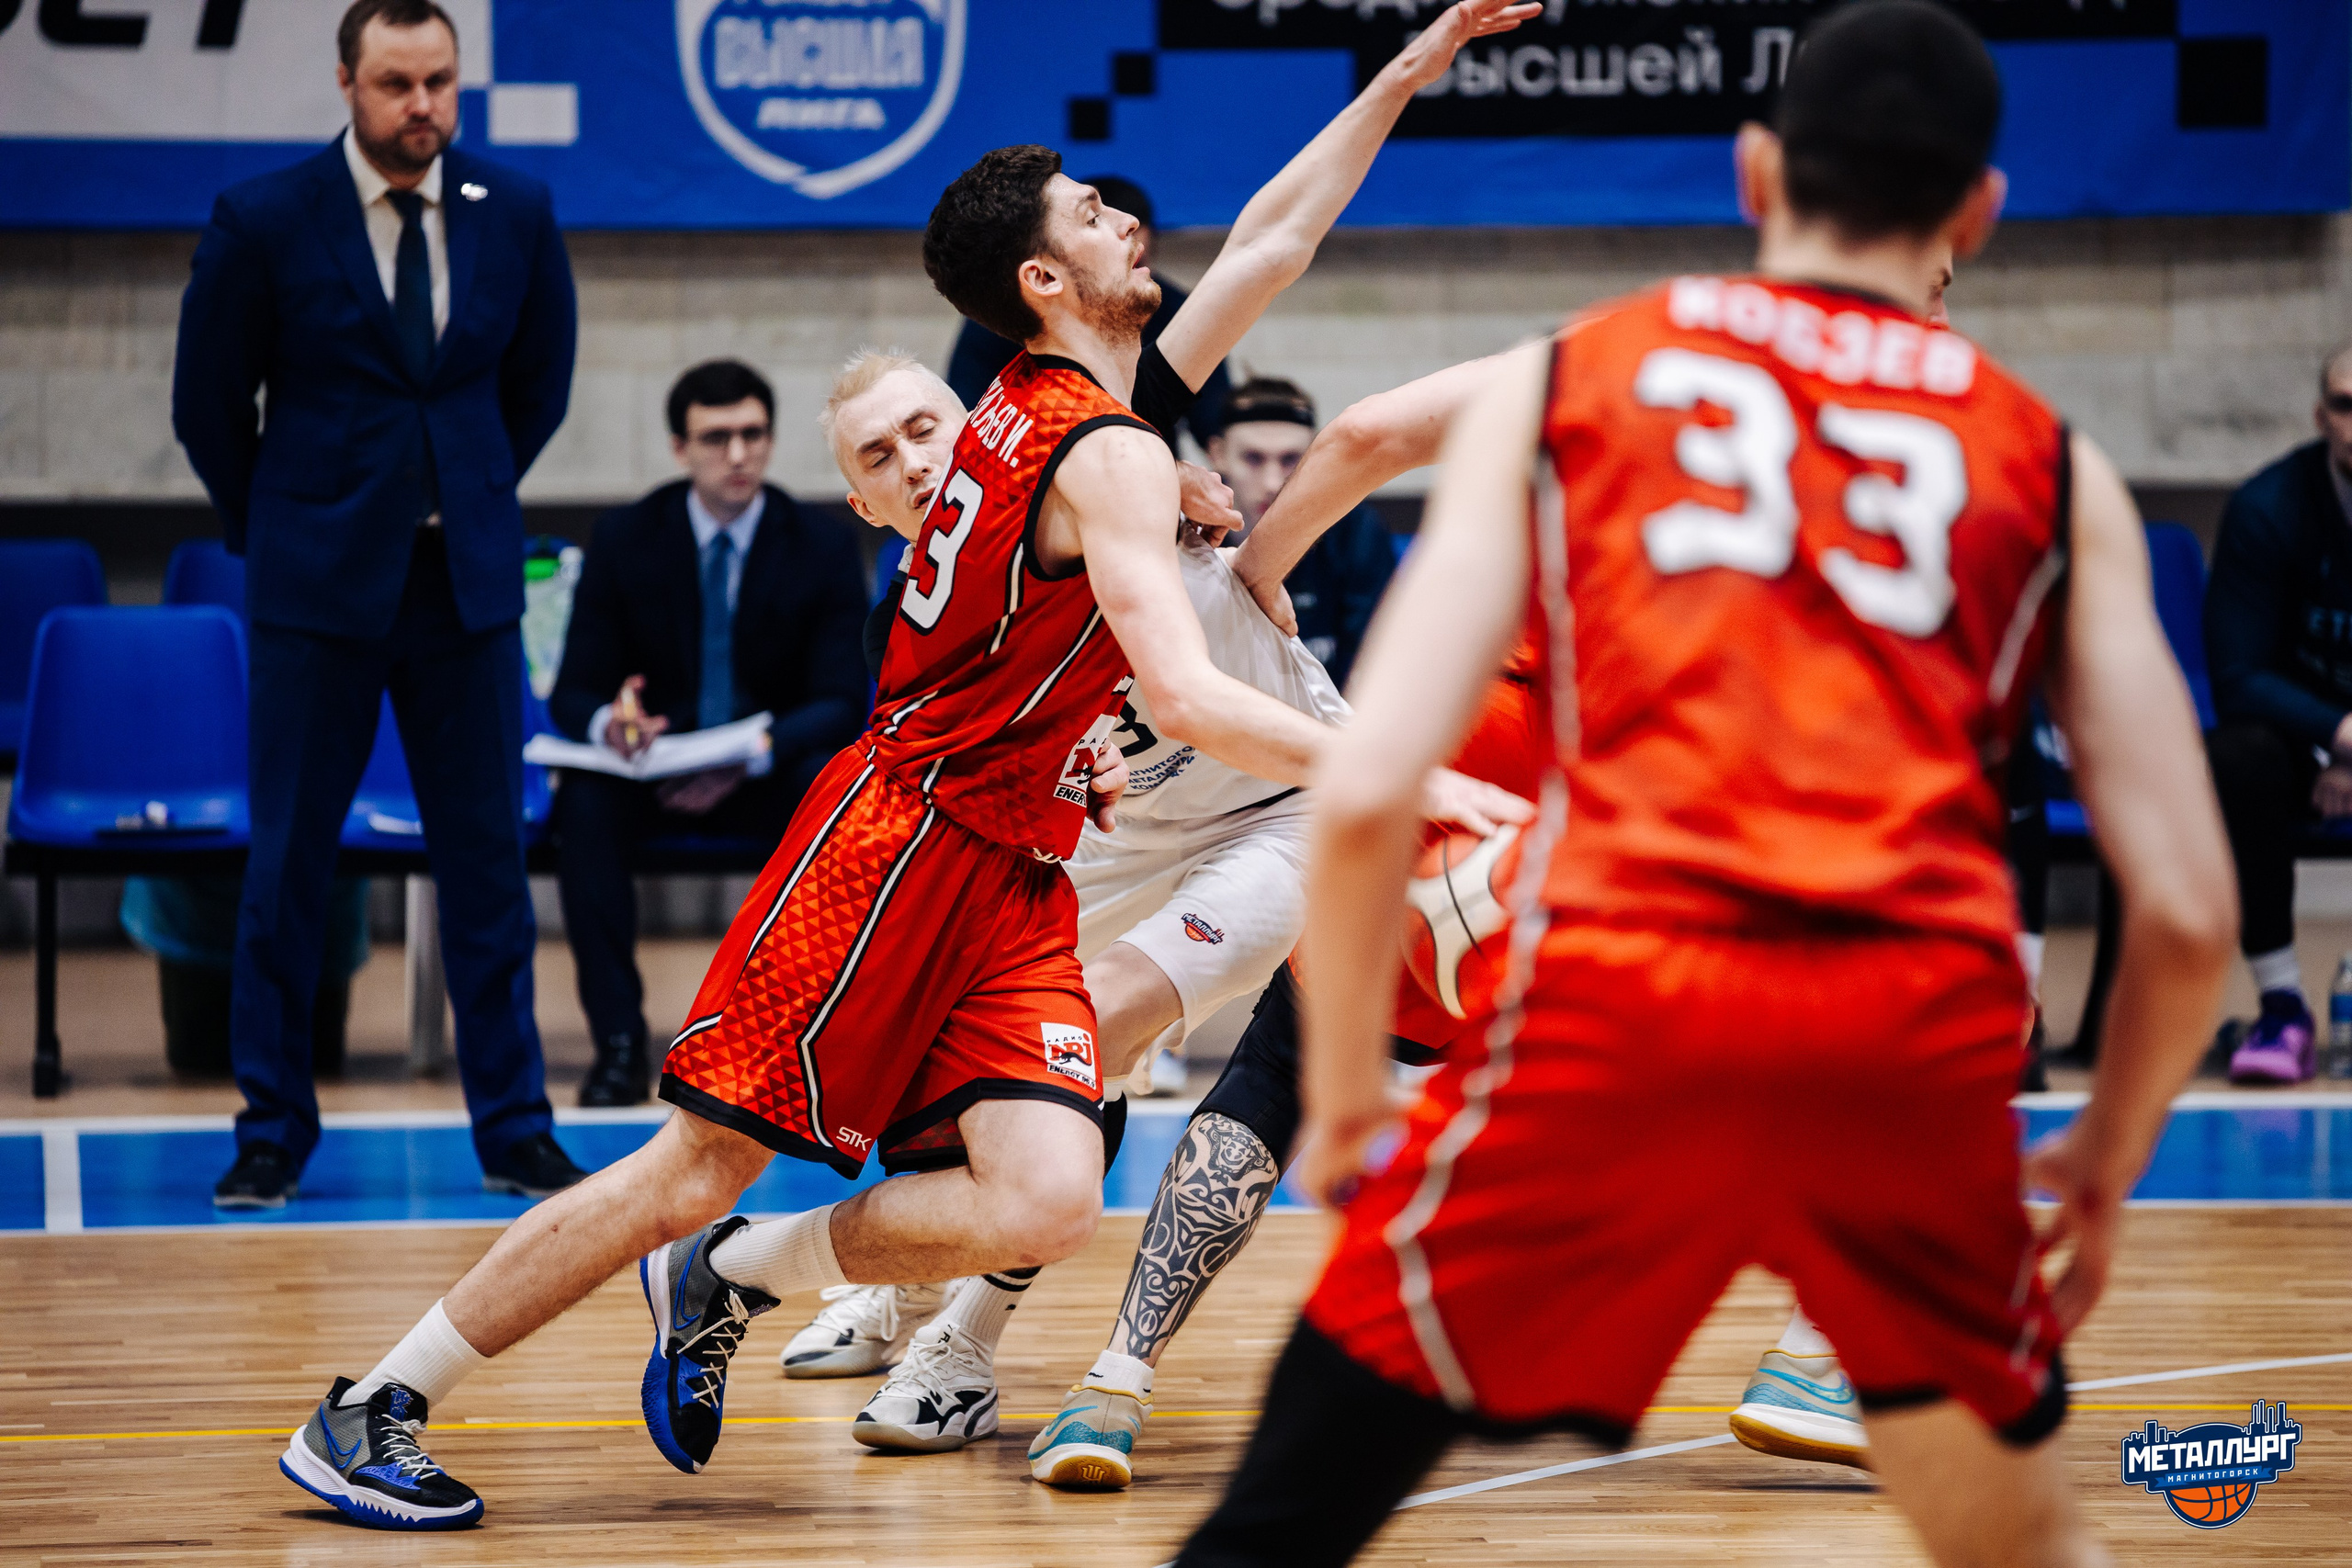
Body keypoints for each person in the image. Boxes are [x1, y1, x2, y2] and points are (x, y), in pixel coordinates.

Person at [270, 2, 1538, 1531]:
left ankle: (745, 1275)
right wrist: (1396, 766)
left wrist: (1402, 70)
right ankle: (374, 1403)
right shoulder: (1106, 448)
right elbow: (1190, 696)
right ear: (1045, 282)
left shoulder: (1055, 406)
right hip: (902, 840)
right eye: (1090, 212)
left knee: (1046, 1193)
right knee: (695, 1162)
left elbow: (1272, 234)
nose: (1130, 219)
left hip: (1018, 854)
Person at [1177, 6, 2236, 1566]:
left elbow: (1370, 785)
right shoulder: (2048, 459)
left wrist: (1343, 1092)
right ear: (1980, 211)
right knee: (2025, 1546)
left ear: (1755, 170)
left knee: (1279, 1525)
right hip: (1909, 1032)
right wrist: (2107, 1146)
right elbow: (2197, 909)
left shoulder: (1587, 376)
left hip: (1625, 1001)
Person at [780, 349, 1519, 1456]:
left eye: (928, 429)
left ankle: (961, 1345)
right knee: (980, 1068)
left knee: (1086, 1034)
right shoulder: (931, 627)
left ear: (980, 429)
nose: (917, 463)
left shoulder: (1113, 479)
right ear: (866, 506)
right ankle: (914, 1276)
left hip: (1277, 809)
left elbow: (1254, 277)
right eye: (881, 458)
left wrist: (1214, 512)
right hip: (1115, 838)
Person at [172, 0, 583, 1210]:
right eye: (398, 84)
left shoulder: (513, 207)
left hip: (462, 586)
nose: (425, 108)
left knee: (488, 869)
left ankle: (514, 1127)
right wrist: (281, 530)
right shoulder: (266, 217)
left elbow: (538, 384)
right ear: (348, 83)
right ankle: (271, 1129)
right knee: (290, 864)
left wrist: (465, 487)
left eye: (442, 83)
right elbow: (210, 406)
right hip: (315, 591)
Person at [549, 360, 868, 1107]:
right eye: (716, 437)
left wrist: (753, 754)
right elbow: (574, 692)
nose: (737, 455)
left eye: (753, 435)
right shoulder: (628, 536)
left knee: (829, 787)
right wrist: (612, 722)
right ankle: (620, 1045)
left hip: (766, 769)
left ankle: (793, 1042)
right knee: (584, 807)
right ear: (678, 447)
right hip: (655, 770)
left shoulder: (817, 542)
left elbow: (841, 697)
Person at [2199, 343, 2352, 1084]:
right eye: (2347, 405)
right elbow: (2237, 677)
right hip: (2301, 746)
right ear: (2322, 415)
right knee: (2235, 753)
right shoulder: (2268, 508)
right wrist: (2337, 742)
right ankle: (2282, 1003)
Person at [945, 175, 1231, 448]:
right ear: (1045, 276)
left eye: (1139, 256)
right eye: (1093, 219)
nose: (1128, 227)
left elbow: (1214, 427)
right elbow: (964, 410)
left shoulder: (1172, 313)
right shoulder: (1036, 411)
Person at [1207, 378, 1398, 688]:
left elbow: (1374, 671)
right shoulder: (1185, 541)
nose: (1272, 483)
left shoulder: (1356, 533)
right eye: (1253, 458)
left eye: (1290, 460)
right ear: (1217, 454)